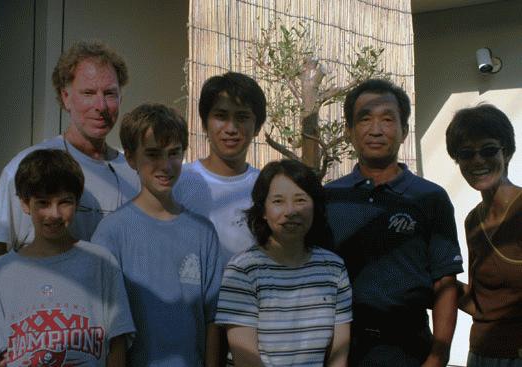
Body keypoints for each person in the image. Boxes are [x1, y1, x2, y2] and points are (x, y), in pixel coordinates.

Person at [0, 40, 140, 291]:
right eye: (88, 93)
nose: (101, 106)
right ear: (65, 97)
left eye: (109, 94)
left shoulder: (133, 172)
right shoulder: (27, 167)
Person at [325, 78, 464, 366]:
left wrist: (438, 357)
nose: (376, 130)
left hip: (409, 348)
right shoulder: (329, 199)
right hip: (341, 347)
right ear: (350, 131)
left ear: (403, 131)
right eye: (365, 119)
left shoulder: (431, 198)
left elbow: (445, 282)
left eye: (387, 119)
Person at [0, 149, 135, 366]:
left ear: (77, 202)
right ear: (24, 203)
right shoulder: (1, 271)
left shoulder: (101, 263)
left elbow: (117, 344)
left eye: (64, 202)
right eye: (43, 203)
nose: (54, 214)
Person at [92, 103, 223, 366]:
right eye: (152, 154)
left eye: (173, 153)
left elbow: (213, 320)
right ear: (130, 157)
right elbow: (103, 325)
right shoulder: (111, 233)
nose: (165, 165)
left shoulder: (203, 233)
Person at [216, 159, 352, 367]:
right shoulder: (243, 269)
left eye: (300, 200)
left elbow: (338, 356)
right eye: (278, 201)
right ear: (263, 210)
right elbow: (246, 359)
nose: (291, 211)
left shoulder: (333, 269)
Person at [445, 104, 522, 367]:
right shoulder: (473, 221)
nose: (478, 161)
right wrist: (431, 279)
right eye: (466, 154)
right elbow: (479, 302)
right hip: (481, 354)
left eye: (488, 150)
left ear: (508, 152)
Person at [173, 71, 266, 263]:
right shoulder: (179, 182)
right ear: (204, 123)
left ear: (257, 127)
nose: (231, 128)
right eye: (221, 116)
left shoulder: (266, 187)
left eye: (242, 117)